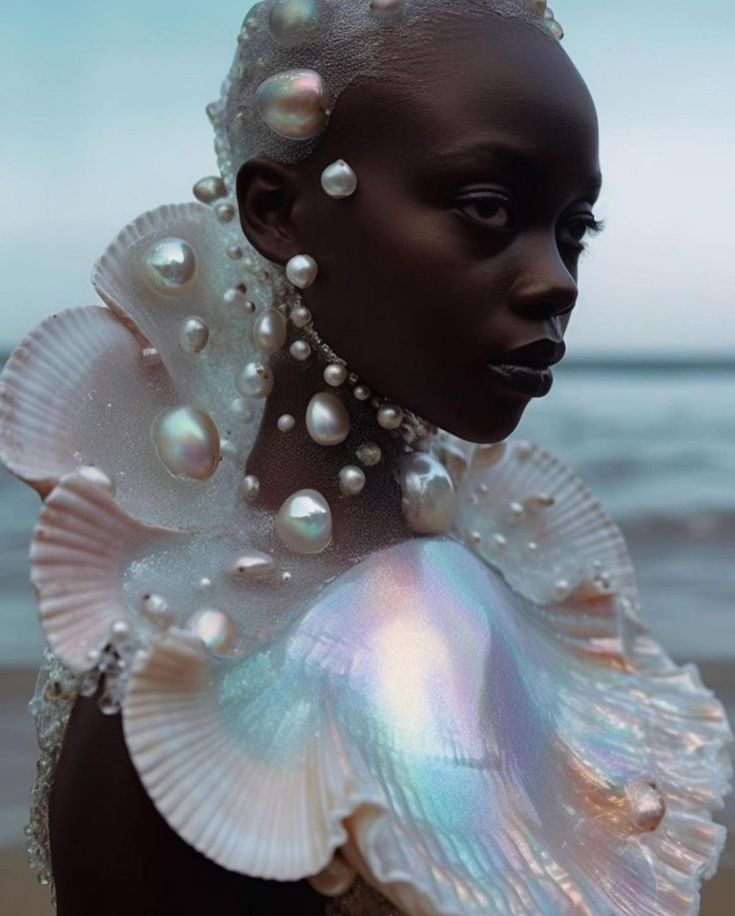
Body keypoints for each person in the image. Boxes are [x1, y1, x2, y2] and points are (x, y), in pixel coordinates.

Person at [1, 2, 731, 914]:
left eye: (572, 227)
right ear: (277, 210)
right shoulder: (183, 691)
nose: (556, 280)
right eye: (488, 209)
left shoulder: (483, 590)